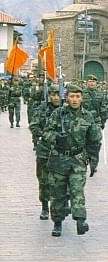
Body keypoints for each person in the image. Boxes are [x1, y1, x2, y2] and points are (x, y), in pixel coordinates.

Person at [43, 84, 101, 237]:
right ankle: (57, 222)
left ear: (82, 98)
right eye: (72, 96)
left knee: (77, 191)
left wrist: (93, 160)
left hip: (77, 159)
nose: (75, 100)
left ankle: (80, 220)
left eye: (78, 96)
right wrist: (56, 138)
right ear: (66, 97)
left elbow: (94, 139)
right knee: (57, 193)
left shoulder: (88, 116)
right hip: (58, 159)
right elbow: (46, 133)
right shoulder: (58, 114)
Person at [29, 84, 61, 220]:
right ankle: (44, 207)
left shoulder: (65, 110)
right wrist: (43, 136)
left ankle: (60, 206)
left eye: (58, 94)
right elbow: (33, 125)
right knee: (43, 180)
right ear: (49, 96)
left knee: (60, 181)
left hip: (61, 151)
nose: (56, 97)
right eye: (53, 95)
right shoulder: (41, 109)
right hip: (44, 151)